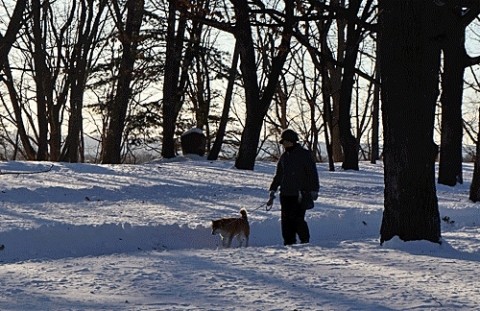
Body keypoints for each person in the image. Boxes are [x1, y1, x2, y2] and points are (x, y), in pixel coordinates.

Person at [267, 129, 319, 245]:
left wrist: (314, 190)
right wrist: (273, 190)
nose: (283, 144)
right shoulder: (284, 157)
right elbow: (279, 175)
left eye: (285, 141)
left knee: (297, 219)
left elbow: (312, 173)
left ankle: (305, 240)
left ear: (291, 141)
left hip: (300, 193)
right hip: (285, 193)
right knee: (286, 221)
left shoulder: (304, 155)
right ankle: (288, 242)